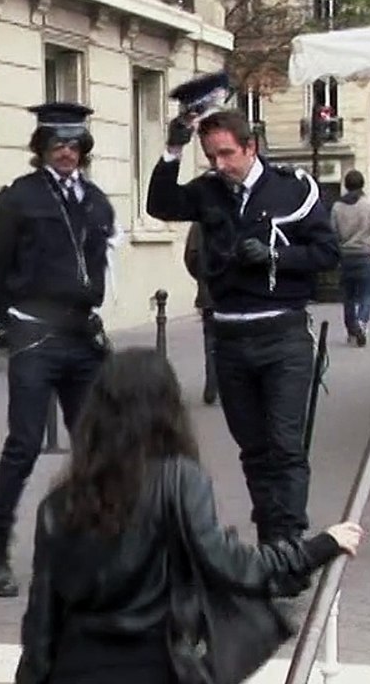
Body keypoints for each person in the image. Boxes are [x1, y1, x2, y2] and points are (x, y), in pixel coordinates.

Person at [16, 348, 364, 684]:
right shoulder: (179, 480)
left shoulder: (60, 503)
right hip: (152, 667)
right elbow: (232, 565)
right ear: (168, 409)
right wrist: (317, 548)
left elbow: (42, 619)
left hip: (73, 668)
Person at [147, 78, 339, 547]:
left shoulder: (294, 190)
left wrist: (276, 258)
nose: (220, 165)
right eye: (212, 156)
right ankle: (270, 540)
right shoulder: (210, 191)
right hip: (230, 337)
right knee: (253, 450)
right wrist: (174, 147)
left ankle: (288, 546)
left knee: (285, 447)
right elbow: (160, 204)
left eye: (228, 154)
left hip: (284, 336)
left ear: (250, 147)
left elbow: (327, 252)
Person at [0, 101, 116, 598]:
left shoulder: (97, 202)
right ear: (41, 150)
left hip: (82, 337)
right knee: (24, 444)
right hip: (35, 334)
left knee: (96, 447)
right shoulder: (19, 199)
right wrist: (7, 316)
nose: (67, 153)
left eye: (75, 145)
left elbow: (100, 264)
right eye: (57, 145)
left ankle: (90, 550)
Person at [330, 169, 370, 346]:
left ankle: (351, 331)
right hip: (365, 255)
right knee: (366, 293)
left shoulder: (337, 207)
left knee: (347, 296)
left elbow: (331, 232)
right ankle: (362, 322)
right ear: (362, 184)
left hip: (345, 256)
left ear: (346, 185)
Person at [183, 223, 218, 405]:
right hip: (234, 295)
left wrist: (203, 279)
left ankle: (211, 386)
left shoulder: (200, 222)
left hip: (209, 293)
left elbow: (191, 256)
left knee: (211, 341)